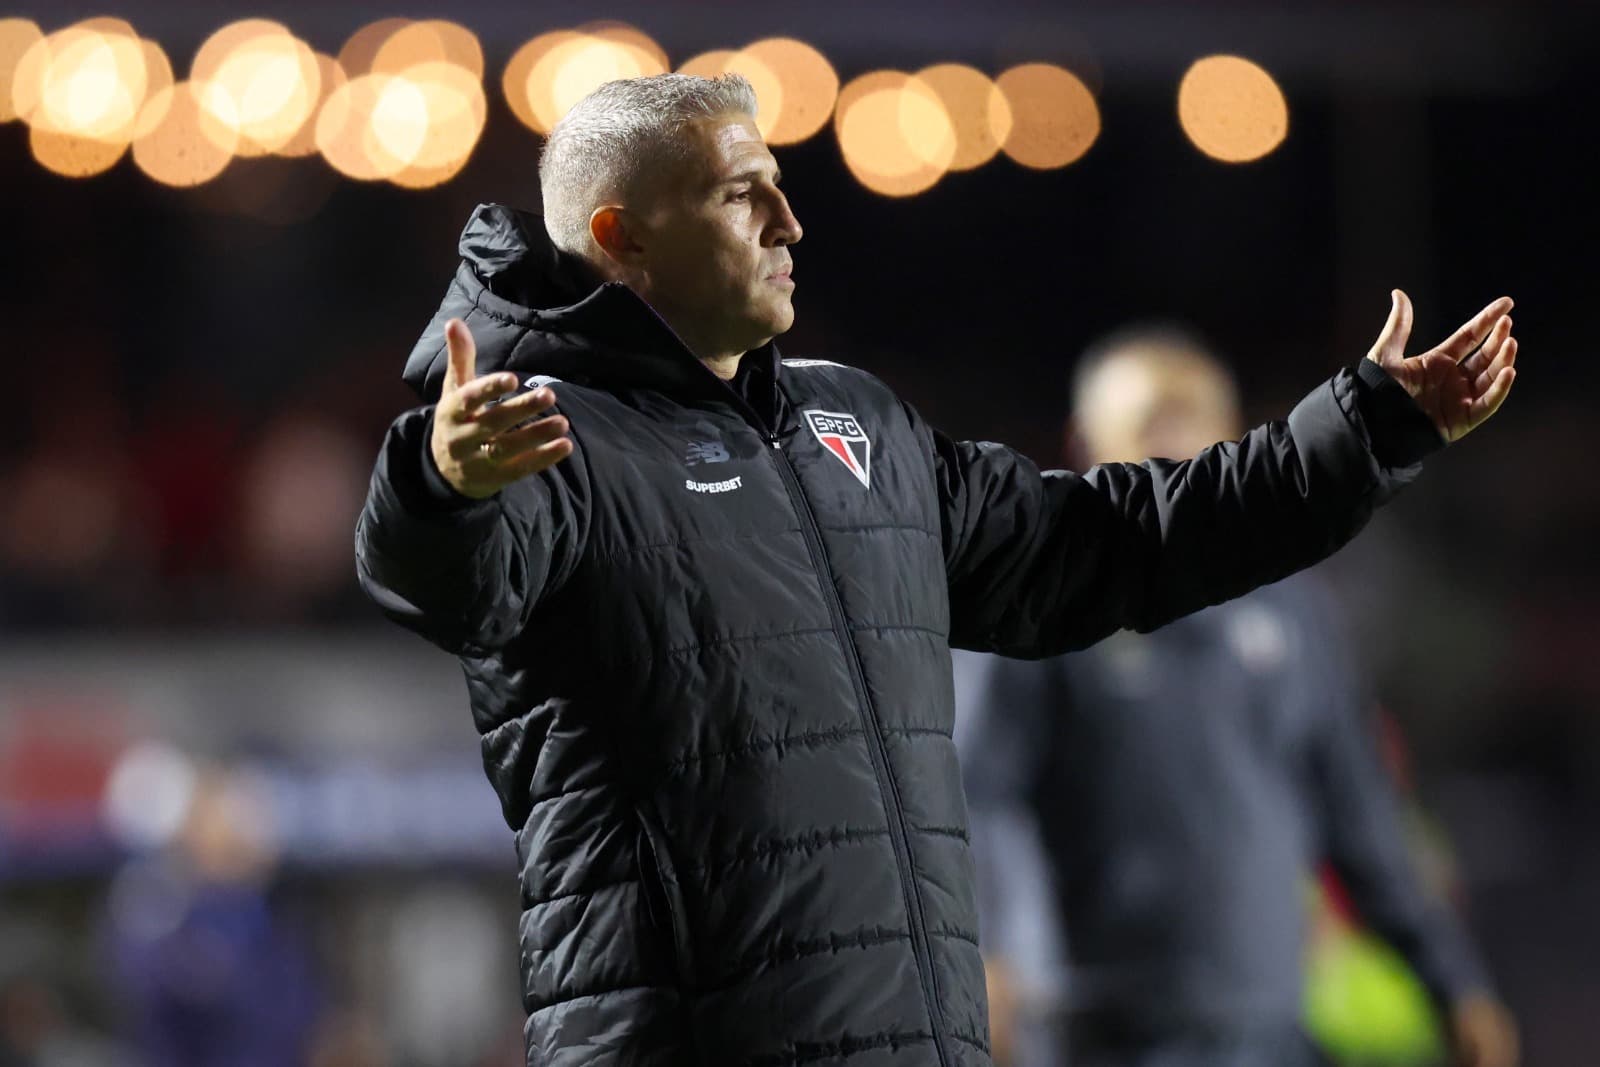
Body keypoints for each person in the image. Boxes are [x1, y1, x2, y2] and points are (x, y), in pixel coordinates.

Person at [352, 72, 1519, 1067]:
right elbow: (452, 580)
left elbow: (1108, 541)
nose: (789, 222)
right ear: (621, 237)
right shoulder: (549, 437)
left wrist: (1361, 429)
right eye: (739, 193)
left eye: (780, 186)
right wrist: (445, 485)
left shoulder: (851, 423)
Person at [956, 328, 1519, 1067]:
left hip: (1266, 1027)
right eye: (1153, 416)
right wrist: (995, 958)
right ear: (1087, 438)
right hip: (1096, 1029)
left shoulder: (1296, 614)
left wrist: (1452, 980)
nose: (1176, 437)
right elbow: (981, 798)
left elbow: (1359, 813)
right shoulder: (1042, 605)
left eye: (1194, 415)